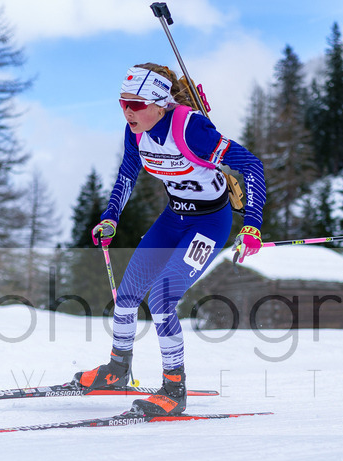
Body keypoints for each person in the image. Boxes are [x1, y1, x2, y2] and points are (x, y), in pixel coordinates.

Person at [70, 63, 267, 416]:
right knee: (127, 294)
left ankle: (174, 389)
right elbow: (127, 173)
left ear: (160, 105)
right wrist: (111, 217)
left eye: (136, 104)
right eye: (123, 103)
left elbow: (251, 165)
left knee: (161, 299)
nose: (128, 112)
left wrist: (251, 225)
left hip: (209, 224)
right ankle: (117, 370)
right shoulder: (136, 132)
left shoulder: (192, 130)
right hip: (173, 218)